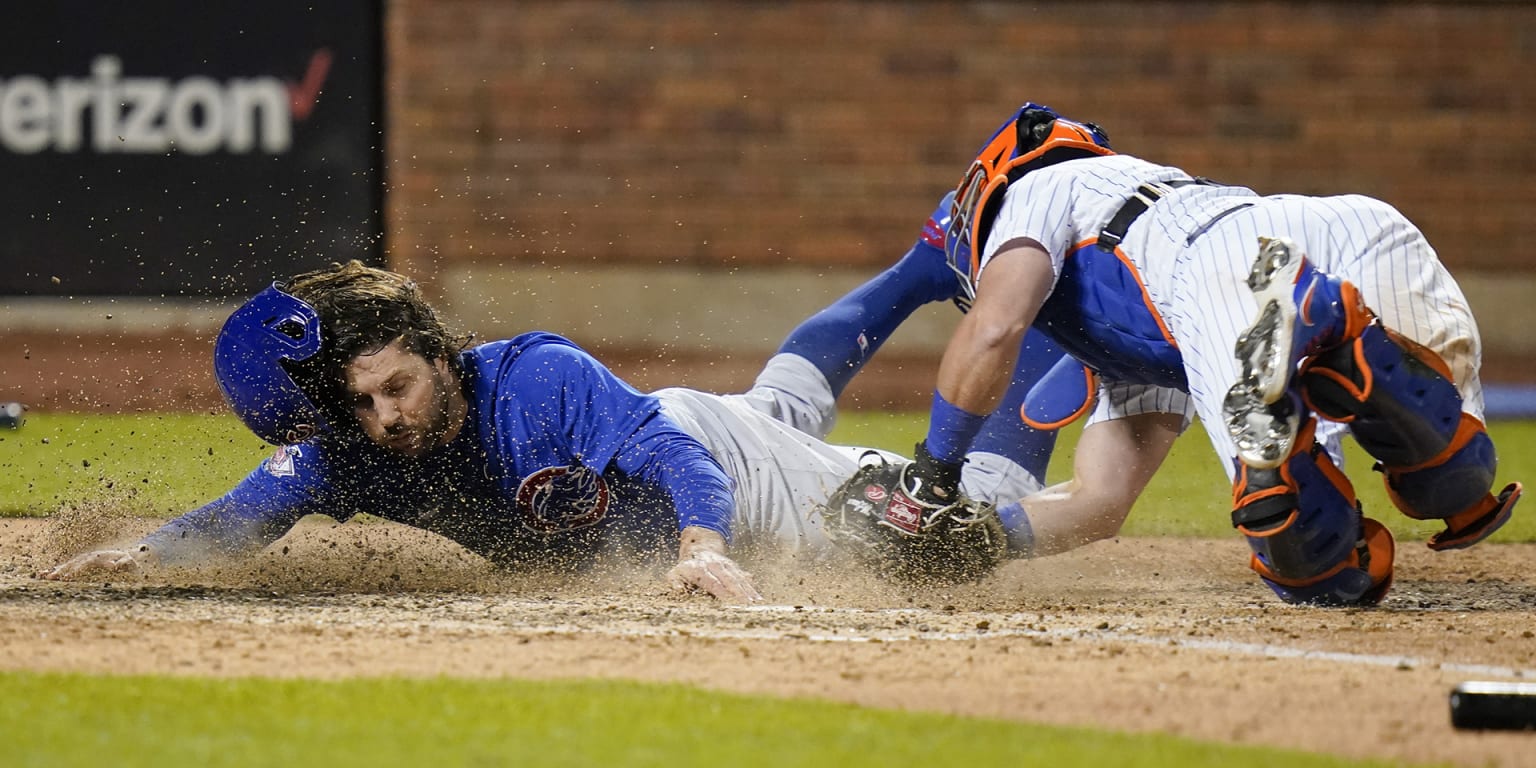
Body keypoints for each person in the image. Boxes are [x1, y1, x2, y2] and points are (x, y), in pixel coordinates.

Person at [36, 259, 1066, 598]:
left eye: (396, 385)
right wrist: (139, 554)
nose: (384, 419)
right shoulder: (357, 444)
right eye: (358, 403)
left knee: (957, 525)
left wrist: (704, 546)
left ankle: (1084, 339)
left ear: (435, 347)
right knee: (783, 400)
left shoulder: (536, 381)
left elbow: (675, 460)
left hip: (740, 481)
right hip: (688, 430)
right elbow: (246, 512)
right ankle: (930, 262)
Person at [886, 103, 1522, 606]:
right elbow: (1101, 499)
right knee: (1454, 475)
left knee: (1309, 562)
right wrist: (982, 540)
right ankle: (1342, 339)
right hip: (1341, 233)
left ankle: (1326, 326)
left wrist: (931, 481)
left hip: (1220, 266)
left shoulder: (1037, 186)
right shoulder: (1123, 320)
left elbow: (994, 330)